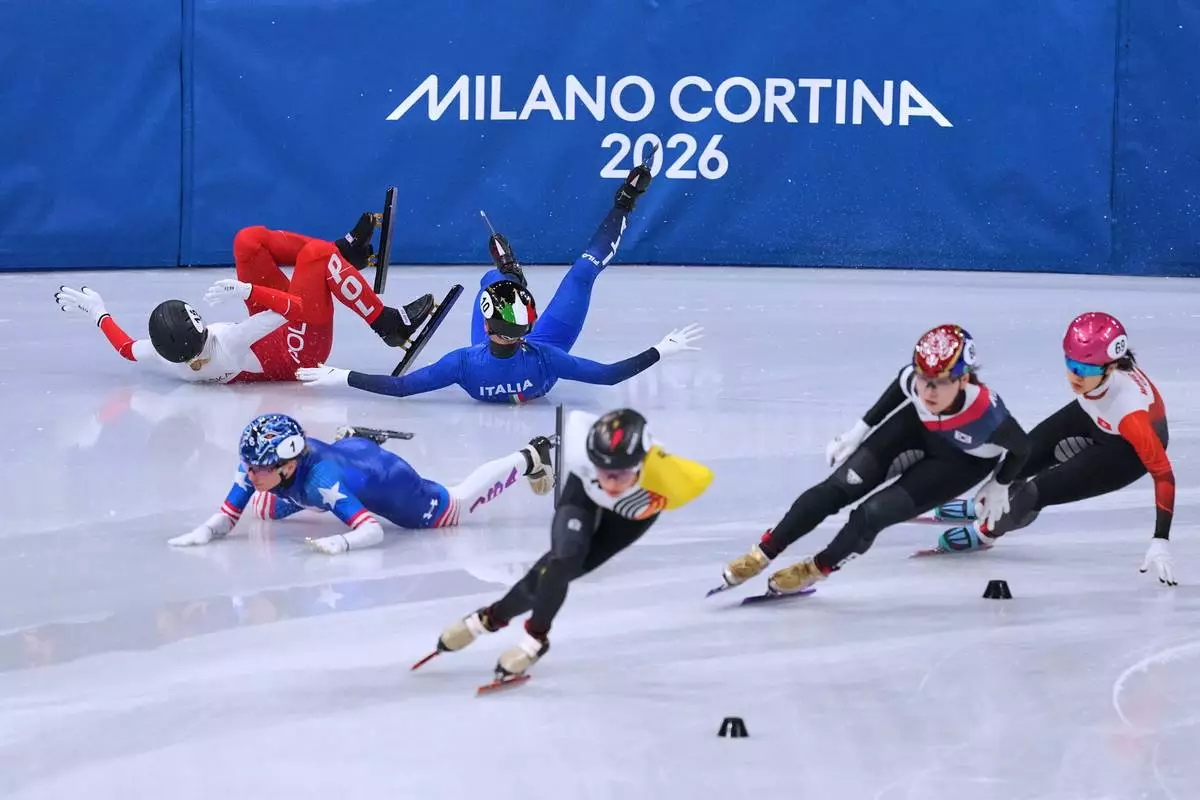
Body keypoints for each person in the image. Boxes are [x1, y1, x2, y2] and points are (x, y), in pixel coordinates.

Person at [294, 164, 703, 403]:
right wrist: (660, 350)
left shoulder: (464, 362)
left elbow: (401, 389)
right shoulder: (547, 357)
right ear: (528, 324)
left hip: (501, 350)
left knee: (491, 280)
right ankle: (621, 207)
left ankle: (507, 275)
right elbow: (610, 375)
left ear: (487, 327)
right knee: (582, 272)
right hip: (549, 345)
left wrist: (343, 376)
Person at [717, 324, 1032, 597]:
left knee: (871, 515)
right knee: (835, 489)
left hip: (961, 463)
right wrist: (858, 431)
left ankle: (816, 568)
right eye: (923, 378)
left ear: (964, 380)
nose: (928, 390)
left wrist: (999, 483)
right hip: (917, 429)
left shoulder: (987, 415)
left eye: (941, 381)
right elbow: (900, 385)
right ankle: (762, 553)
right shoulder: (916, 382)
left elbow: (1023, 447)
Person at [416, 408, 713, 681]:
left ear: (642, 463)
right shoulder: (580, 450)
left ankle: (492, 622)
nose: (609, 483)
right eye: (603, 470)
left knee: (554, 574)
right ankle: (525, 634)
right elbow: (580, 419)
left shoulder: (671, 479)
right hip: (582, 495)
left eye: (620, 474)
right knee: (561, 561)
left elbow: (703, 478)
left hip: (630, 515)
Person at [926, 312, 1177, 585]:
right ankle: (985, 505)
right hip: (1095, 413)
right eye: (1071, 364)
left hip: (1126, 451)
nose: (1075, 376)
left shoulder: (1132, 416)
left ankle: (986, 532)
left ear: (1111, 367)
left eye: (1087, 369)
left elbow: (1164, 475)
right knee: (1024, 454)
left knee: (1037, 491)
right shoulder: (1096, 381)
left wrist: (1160, 539)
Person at [54, 212, 435, 384]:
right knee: (313, 257)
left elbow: (125, 348)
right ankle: (388, 322)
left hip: (270, 334)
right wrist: (248, 291)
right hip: (303, 345)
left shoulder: (165, 354)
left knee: (247, 241)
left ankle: (340, 255)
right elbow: (297, 309)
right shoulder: (228, 344)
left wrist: (98, 314)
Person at [166, 413, 556, 554]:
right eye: (248, 466)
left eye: (258, 469)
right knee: (263, 507)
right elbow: (227, 515)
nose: (248, 475)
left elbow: (371, 531)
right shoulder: (260, 465)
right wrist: (203, 532)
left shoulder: (321, 481)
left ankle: (530, 456)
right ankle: (359, 438)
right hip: (348, 455)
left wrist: (341, 542)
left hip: (396, 485)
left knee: (459, 503)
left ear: (286, 466)